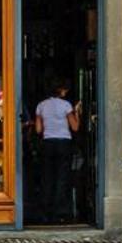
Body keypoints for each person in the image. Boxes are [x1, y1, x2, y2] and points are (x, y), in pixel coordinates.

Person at [33, 81, 80, 221]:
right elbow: (75, 127)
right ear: (61, 91)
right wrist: (77, 112)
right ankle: (60, 212)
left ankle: (46, 213)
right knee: (62, 177)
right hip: (63, 143)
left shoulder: (41, 105)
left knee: (47, 178)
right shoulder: (66, 105)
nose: (66, 92)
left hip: (48, 143)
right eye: (65, 90)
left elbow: (38, 130)